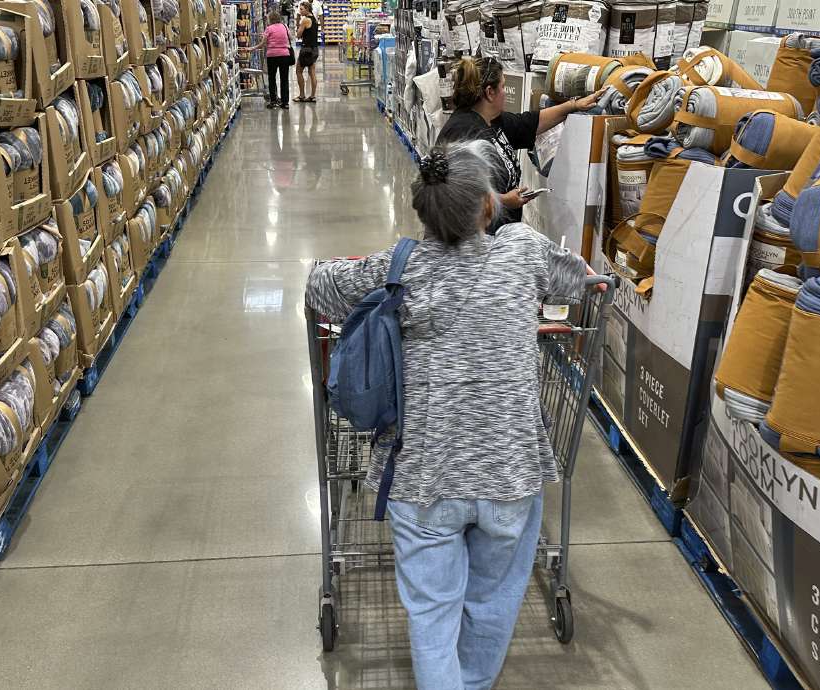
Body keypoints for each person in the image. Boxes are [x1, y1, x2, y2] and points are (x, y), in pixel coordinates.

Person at [305, 140, 600, 690]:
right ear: (489, 206)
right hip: (509, 472)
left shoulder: (400, 267)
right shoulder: (522, 252)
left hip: (423, 477)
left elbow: (319, 285)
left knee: (432, 615)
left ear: (425, 209)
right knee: (490, 604)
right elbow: (578, 280)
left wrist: (329, 268)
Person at [437, 56, 606, 231]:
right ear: (490, 92)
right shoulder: (462, 133)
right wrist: (503, 201)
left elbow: (531, 122)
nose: (505, 92)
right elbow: (454, 195)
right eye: (503, 86)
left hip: (497, 238)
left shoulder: (491, 121)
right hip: (472, 245)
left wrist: (575, 105)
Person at [246, 11, 293, 109]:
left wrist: (252, 48)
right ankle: (285, 103)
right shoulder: (285, 26)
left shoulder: (269, 28)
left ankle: (273, 101)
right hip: (285, 55)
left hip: (272, 56)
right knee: (284, 79)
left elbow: (263, 43)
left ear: (270, 19)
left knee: (272, 78)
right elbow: (291, 38)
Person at [293, 2, 320, 103]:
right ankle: (312, 96)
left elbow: (298, 35)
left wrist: (299, 24)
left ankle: (302, 95)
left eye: (302, 9)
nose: (300, 11)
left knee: (298, 71)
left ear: (307, 9)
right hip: (314, 49)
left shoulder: (305, 20)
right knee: (312, 72)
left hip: (306, 49)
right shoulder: (314, 19)